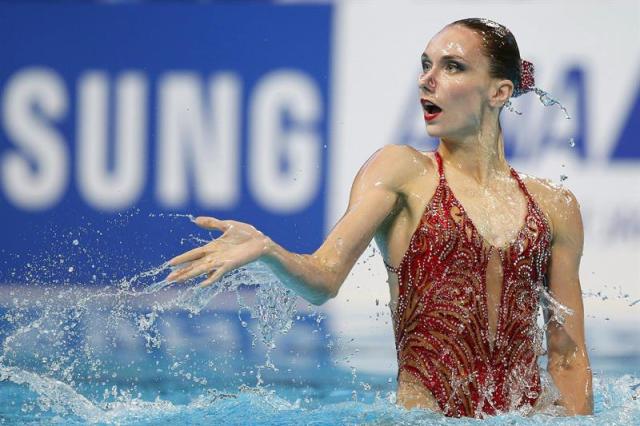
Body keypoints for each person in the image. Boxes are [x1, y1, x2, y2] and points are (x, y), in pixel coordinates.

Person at [166, 18, 593, 418]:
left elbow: (568, 357)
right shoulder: (401, 172)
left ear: (499, 92)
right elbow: (323, 277)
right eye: (426, 65)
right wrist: (269, 250)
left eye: (453, 67)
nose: (427, 80)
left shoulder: (554, 206)